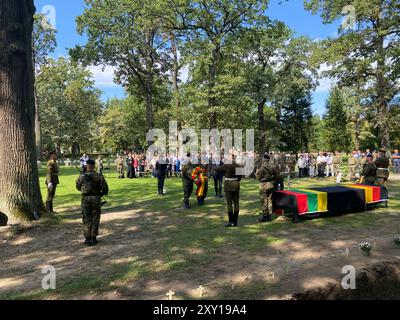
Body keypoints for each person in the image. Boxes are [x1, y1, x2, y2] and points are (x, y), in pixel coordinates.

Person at [76, 159, 109, 246]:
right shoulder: (98, 176)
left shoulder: (82, 176)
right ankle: (93, 238)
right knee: (95, 218)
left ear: (87, 166)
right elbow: (105, 188)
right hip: (96, 198)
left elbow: (78, 187)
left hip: (85, 199)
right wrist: (100, 194)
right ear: (94, 166)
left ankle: (87, 238)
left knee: (86, 218)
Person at [215, 151, 243, 227]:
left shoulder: (226, 165)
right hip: (236, 184)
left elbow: (217, 169)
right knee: (236, 203)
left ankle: (231, 222)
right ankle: (235, 221)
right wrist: (236, 180)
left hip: (228, 185)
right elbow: (241, 176)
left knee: (229, 204)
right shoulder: (239, 165)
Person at [256, 153, 281, 223]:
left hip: (264, 185)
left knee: (264, 201)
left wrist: (257, 170)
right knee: (270, 200)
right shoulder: (273, 166)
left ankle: (265, 216)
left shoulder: (262, 167)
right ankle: (269, 215)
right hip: (271, 185)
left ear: (264, 159)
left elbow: (258, 177)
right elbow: (276, 175)